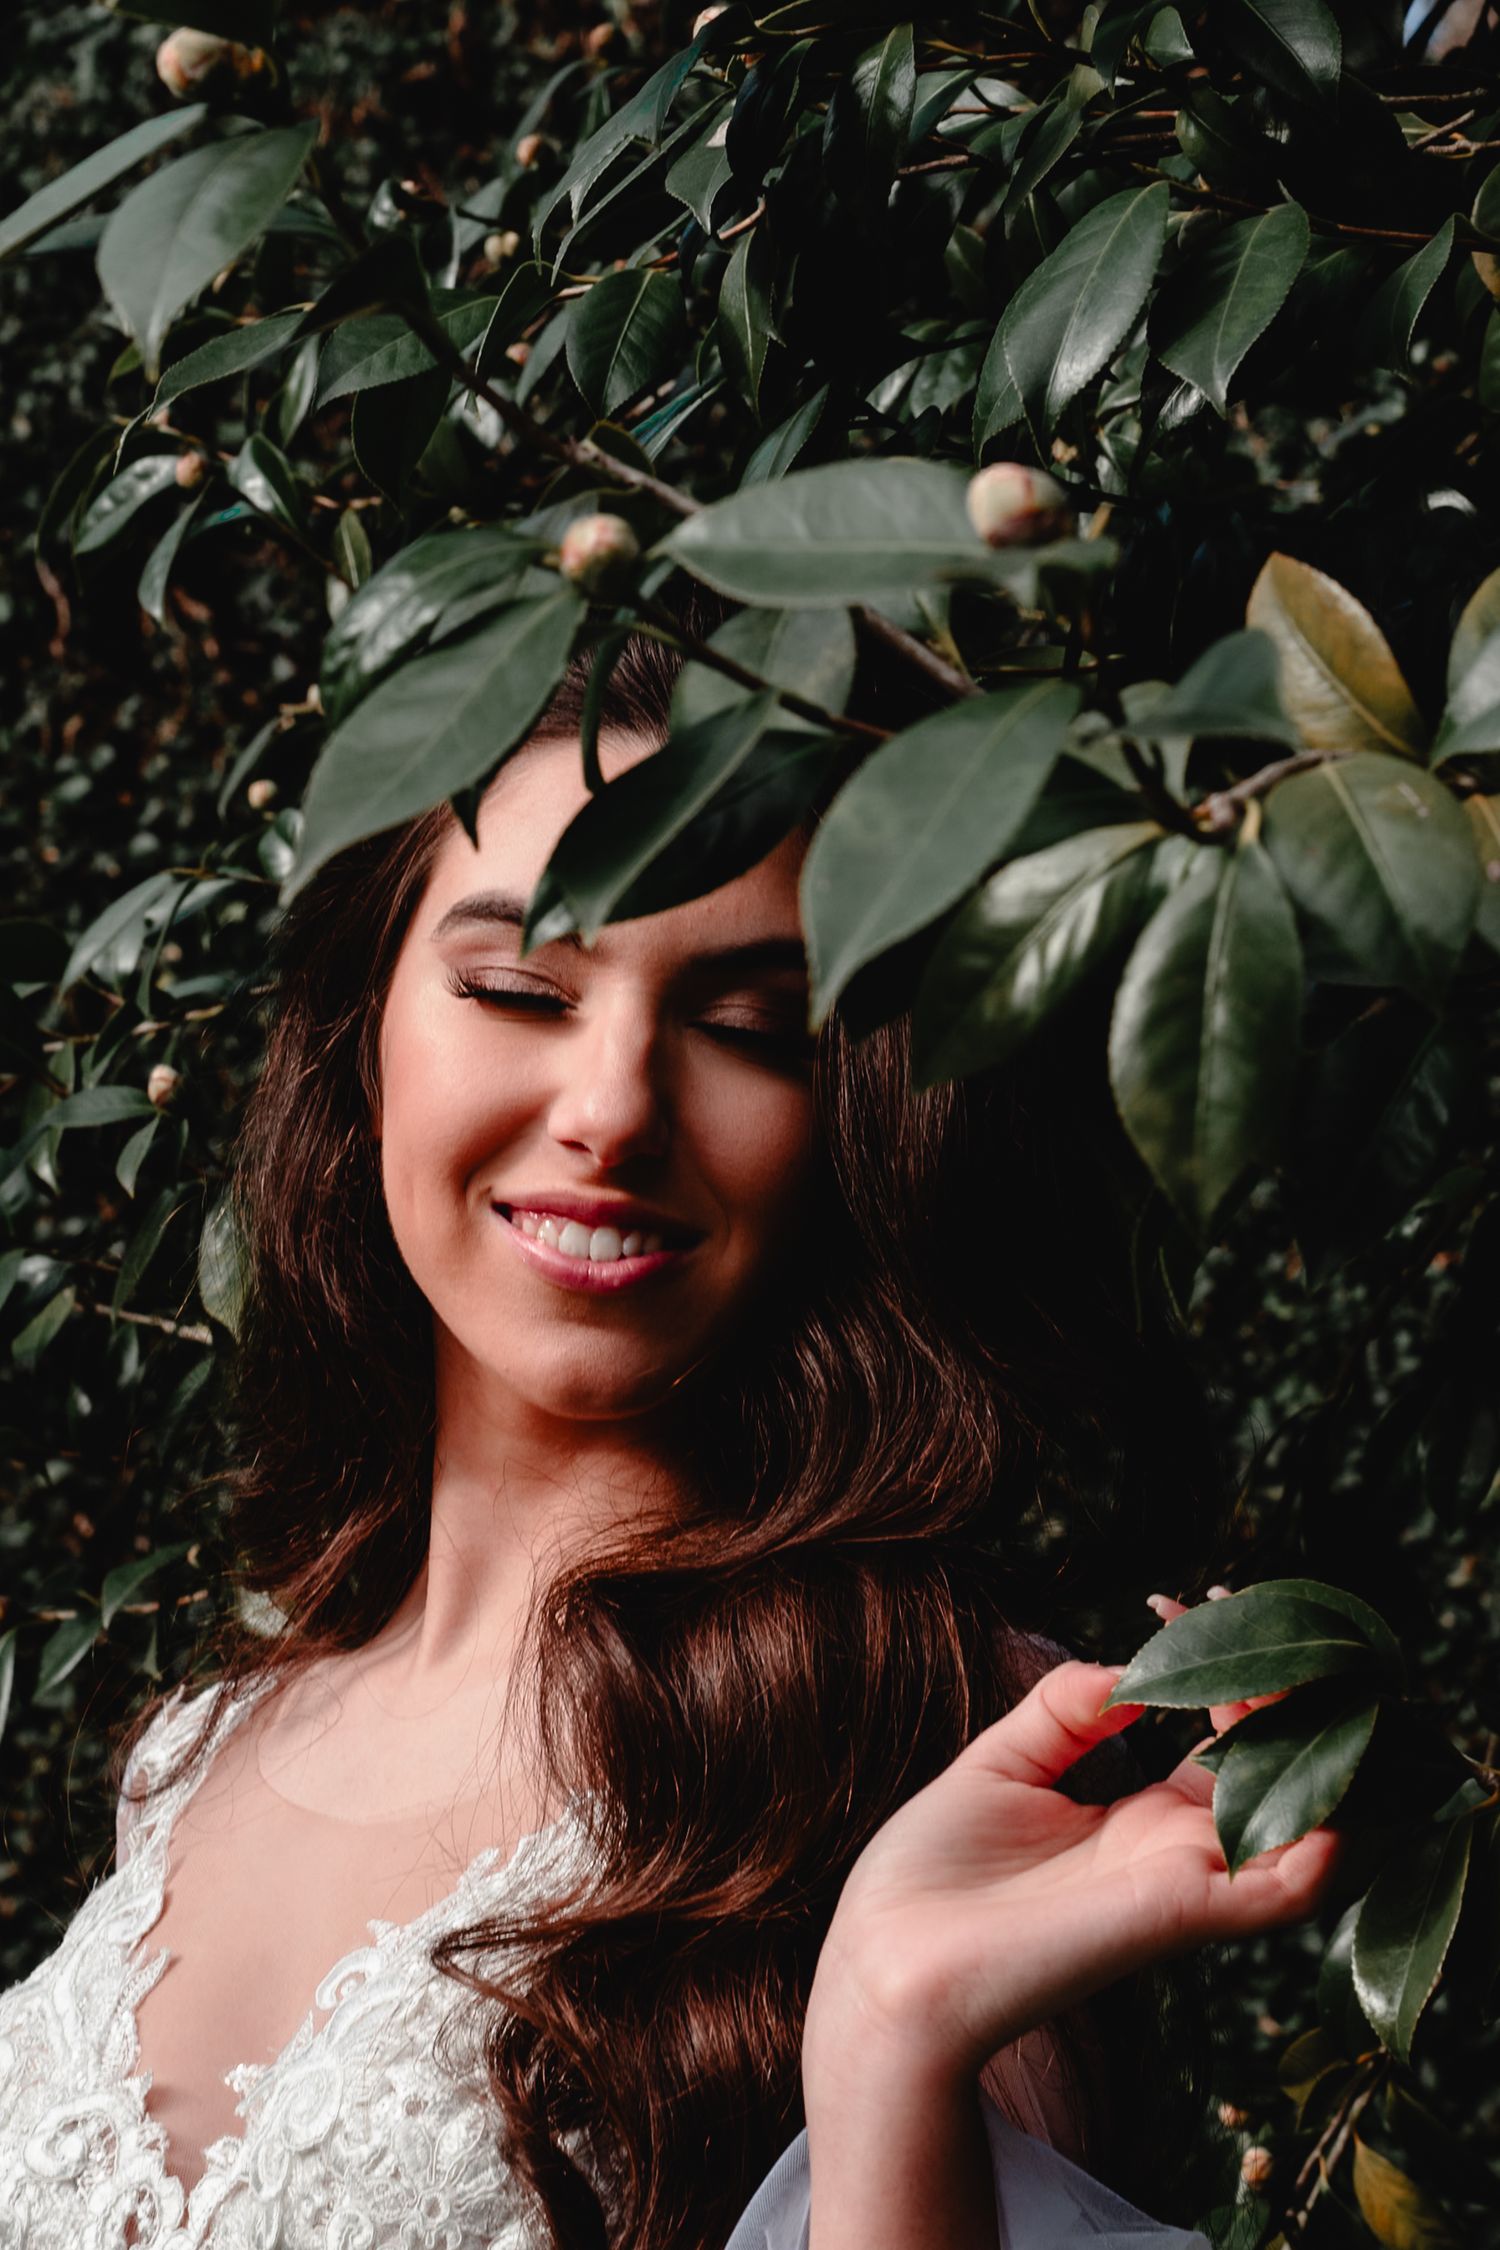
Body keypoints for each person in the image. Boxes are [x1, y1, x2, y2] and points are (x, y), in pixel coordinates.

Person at [0, 622, 1337, 2250]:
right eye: (516, 987)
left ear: (864, 1120)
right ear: (365, 1036)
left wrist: (894, 2026)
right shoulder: (189, 1754)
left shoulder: (937, 1737)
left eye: (754, 1024)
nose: (612, 1104)